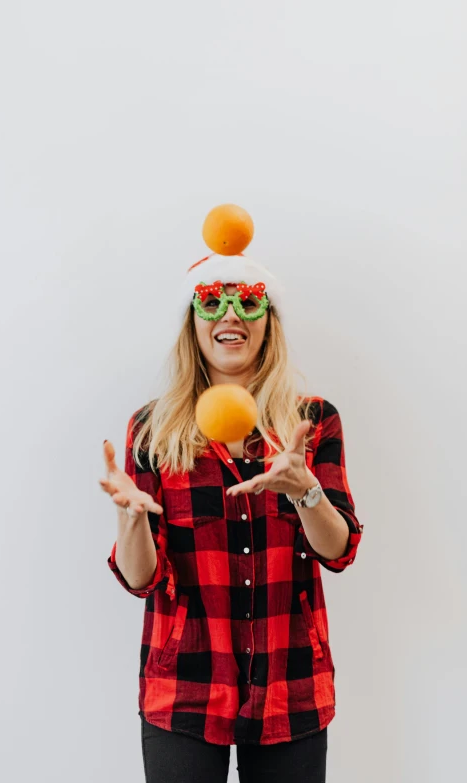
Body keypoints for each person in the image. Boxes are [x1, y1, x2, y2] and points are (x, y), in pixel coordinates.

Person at [99, 250, 364, 783]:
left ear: (269, 322)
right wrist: (131, 520)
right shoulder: (152, 430)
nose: (230, 317)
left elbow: (339, 552)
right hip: (185, 686)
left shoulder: (311, 422)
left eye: (247, 303)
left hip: (291, 684)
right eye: (212, 302)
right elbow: (140, 578)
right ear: (192, 323)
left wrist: (305, 490)